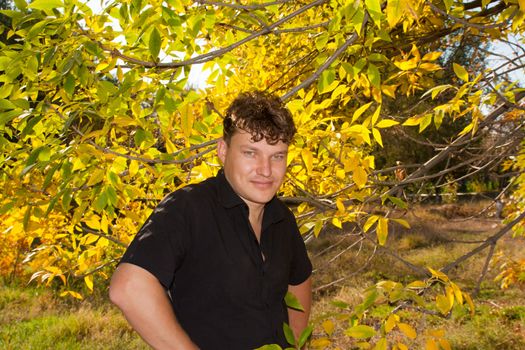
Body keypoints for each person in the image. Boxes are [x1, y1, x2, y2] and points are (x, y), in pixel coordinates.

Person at [109, 91, 313, 350]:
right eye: (251, 153)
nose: (266, 169)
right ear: (223, 150)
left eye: (277, 156)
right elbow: (128, 286)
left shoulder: (282, 218)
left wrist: (296, 342)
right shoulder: (188, 208)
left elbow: (300, 279)